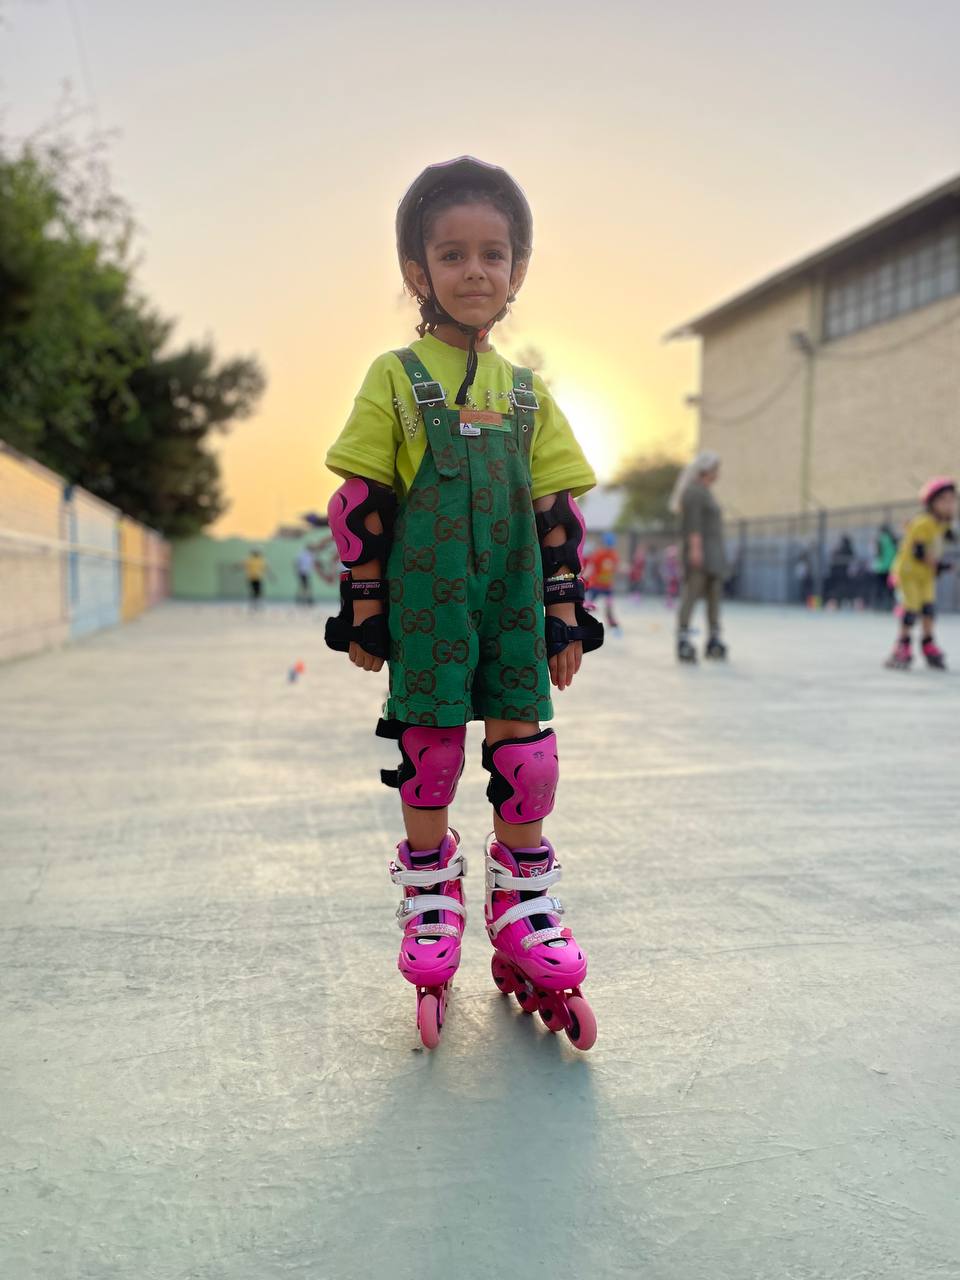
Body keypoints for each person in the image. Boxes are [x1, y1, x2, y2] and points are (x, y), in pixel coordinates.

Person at [322, 157, 603, 1050]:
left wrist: (564, 609)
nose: (474, 271)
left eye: (493, 254)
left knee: (528, 756)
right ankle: (431, 899)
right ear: (418, 270)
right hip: (428, 606)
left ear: (518, 270)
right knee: (431, 751)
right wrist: (365, 603)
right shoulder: (396, 376)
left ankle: (524, 908)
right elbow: (360, 500)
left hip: (514, 603)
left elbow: (556, 510)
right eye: (452, 255)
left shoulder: (526, 393)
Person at [885, 477, 957, 670]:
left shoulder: (942, 524)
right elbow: (919, 552)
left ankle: (928, 643)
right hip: (908, 573)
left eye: (952, 500)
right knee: (911, 609)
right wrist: (943, 566)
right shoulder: (923, 522)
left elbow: (951, 538)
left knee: (929, 609)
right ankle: (902, 645)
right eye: (944, 500)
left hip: (926, 575)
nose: (950, 505)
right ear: (931, 503)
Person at [669, 451, 727, 662]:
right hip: (700, 552)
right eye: (715, 469)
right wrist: (695, 550)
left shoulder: (706, 492)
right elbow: (693, 525)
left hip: (713, 553)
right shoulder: (693, 491)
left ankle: (714, 638)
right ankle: (683, 638)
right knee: (692, 594)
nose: (718, 473)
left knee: (714, 595)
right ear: (706, 470)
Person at [584, 531, 621, 630]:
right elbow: (591, 566)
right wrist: (584, 577)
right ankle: (583, 618)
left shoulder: (613, 555)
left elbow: (615, 568)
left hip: (607, 585)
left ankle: (611, 621)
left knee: (609, 604)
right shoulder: (600, 554)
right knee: (589, 604)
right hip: (596, 584)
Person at [872, 522, 898, 610]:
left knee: (880, 588)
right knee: (891, 588)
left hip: (881, 567)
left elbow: (878, 553)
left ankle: (878, 606)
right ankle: (890, 606)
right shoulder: (893, 539)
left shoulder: (880, 539)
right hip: (892, 567)